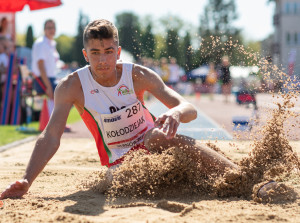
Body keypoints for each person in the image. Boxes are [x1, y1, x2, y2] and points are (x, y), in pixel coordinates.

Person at [1, 19, 272, 200]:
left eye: (108, 51)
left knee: (158, 137)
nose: (103, 60)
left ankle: (242, 177)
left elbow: (188, 108)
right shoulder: (72, 86)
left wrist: (176, 113)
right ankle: (234, 178)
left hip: (158, 144)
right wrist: (26, 180)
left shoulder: (138, 75)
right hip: (120, 169)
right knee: (159, 148)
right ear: (86, 55)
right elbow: (50, 137)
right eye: (95, 53)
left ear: (118, 52)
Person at [31, 19, 59, 101]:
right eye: (49, 28)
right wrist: (48, 87)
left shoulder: (52, 43)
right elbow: (41, 66)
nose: (51, 30)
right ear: (44, 30)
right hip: (43, 81)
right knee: (69, 92)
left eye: (53, 27)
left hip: (52, 79)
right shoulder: (41, 44)